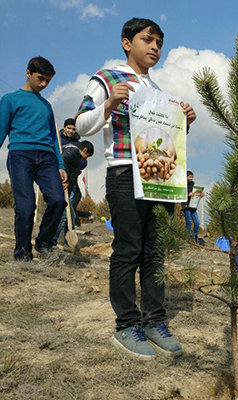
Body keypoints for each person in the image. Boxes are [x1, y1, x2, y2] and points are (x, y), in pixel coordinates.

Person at [75, 18, 197, 359]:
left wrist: (183, 122)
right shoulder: (108, 77)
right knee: (128, 249)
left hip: (157, 179)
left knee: (155, 252)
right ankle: (126, 324)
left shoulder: (157, 93)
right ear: (127, 43)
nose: (155, 47)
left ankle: (155, 320)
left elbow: (165, 143)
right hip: (124, 174)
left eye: (159, 41)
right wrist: (110, 103)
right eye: (148, 40)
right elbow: (81, 124)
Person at [0, 56, 67, 260]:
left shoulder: (47, 105)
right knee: (26, 206)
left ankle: (44, 243)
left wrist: (61, 165)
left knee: (58, 200)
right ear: (28, 73)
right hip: (21, 155)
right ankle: (22, 254)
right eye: (40, 78)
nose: (44, 84)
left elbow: (55, 139)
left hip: (47, 158)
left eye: (48, 80)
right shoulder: (10, 99)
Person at [53, 140, 94, 246]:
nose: (85, 159)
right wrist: (65, 179)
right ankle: (52, 241)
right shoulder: (73, 152)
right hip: (61, 187)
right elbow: (62, 160)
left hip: (67, 188)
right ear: (85, 150)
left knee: (70, 215)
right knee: (63, 216)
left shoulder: (76, 157)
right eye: (87, 156)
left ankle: (67, 242)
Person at [59, 118, 88, 227]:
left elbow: (83, 162)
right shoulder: (57, 140)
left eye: (73, 129)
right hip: (58, 177)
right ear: (64, 128)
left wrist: (76, 163)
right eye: (69, 128)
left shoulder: (78, 144)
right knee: (58, 207)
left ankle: (68, 233)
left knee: (70, 207)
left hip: (72, 179)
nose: (71, 131)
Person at [184, 170, 204, 243]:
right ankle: (188, 237)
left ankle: (195, 236)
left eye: (192, 177)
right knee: (188, 221)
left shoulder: (193, 185)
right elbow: (181, 195)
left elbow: (196, 194)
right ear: (186, 177)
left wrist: (200, 195)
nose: (191, 178)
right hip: (186, 206)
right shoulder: (183, 185)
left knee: (197, 222)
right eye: (190, 177)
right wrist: (188, 194)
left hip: (193, 206)